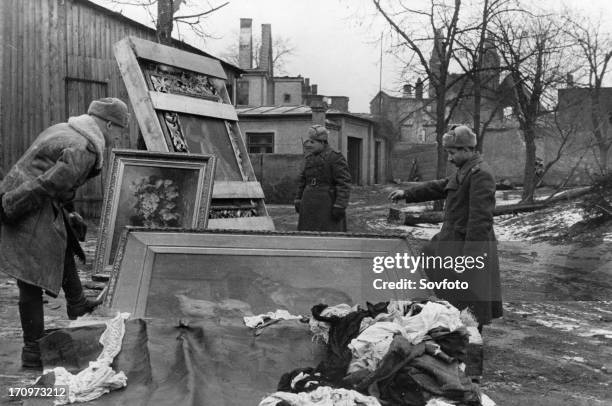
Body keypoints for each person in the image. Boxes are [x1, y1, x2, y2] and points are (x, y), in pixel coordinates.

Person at [0, 97, 130, 368]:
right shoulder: (85, 147)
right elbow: (49, 183)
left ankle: (77, 304)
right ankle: (33, 349)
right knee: (31, 276)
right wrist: (11, 205)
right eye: (119, 130)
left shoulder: (68, 128)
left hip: (26, 194)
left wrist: (69, 211)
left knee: (66, 238)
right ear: (108, 124)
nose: (118, 137)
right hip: (26, 202)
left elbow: (57, 180)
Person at [389, 125, 502, 329]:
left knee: (468, 301)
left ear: (466, 150)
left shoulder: (480, 174)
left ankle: (469, 342)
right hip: (453, 241)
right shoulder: (465, 171)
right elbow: (440, 186)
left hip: (467, 246)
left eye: (452, 153)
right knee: (446, 289)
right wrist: (407, 194)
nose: (449, 158)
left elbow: (480, 221)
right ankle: (453, 333)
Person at [294, 125, 351, 231]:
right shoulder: (309, 158)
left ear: (323, 142)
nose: (309, 145)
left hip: (327, 204)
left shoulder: (335, 157)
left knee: (329, 237)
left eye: (313, 142)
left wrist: (340, 205)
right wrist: (298, 199)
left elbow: (343, 183)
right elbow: (303, 181)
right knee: (307, 237)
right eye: (309, 141)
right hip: (308, 202)